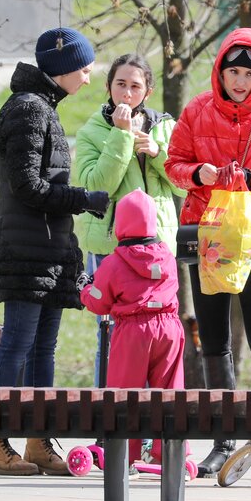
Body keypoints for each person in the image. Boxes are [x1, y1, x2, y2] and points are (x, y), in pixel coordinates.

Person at [164, 28, 251, 477]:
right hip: (210, 235)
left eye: (248, 73)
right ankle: (222, 441)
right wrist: (199, 174)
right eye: (232, 72)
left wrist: (250, 180)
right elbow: (173, 164)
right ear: (219, 71)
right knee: (214, 342)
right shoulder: (196, 110)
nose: (239, 81)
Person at [0, 27, 111, 477]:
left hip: (51, 252)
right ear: (62, 68)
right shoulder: (27, 111)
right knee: (17, 343)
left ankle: (38, 440)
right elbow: (28, 187)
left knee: (43, 350)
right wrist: (84, 199)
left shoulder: (44, 108)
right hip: (25, 251)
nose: (89, 79)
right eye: (85, 70)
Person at [73, 53, 185, 387]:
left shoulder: (164, 125)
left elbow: (184, 184)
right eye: (120, 84)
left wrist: (157, 152)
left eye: (135, 86)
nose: (127, 93)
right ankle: (108, 422)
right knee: (109, 335)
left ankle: (155, 432)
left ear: (147, 92)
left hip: (158, 252)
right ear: (108, 88)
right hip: (111, 248)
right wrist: (121, 137)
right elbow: (96, 186)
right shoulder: (93, 131)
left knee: (157, 331)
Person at [78, 189, 185, 463]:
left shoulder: (115, 263)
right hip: (169, 329)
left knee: (124, 395)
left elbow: (99, 303)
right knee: (170, 392)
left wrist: (84, 289)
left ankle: (124, 455)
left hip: (133, 331)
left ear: (120, 224)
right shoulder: (168, 258)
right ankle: (170, 455)